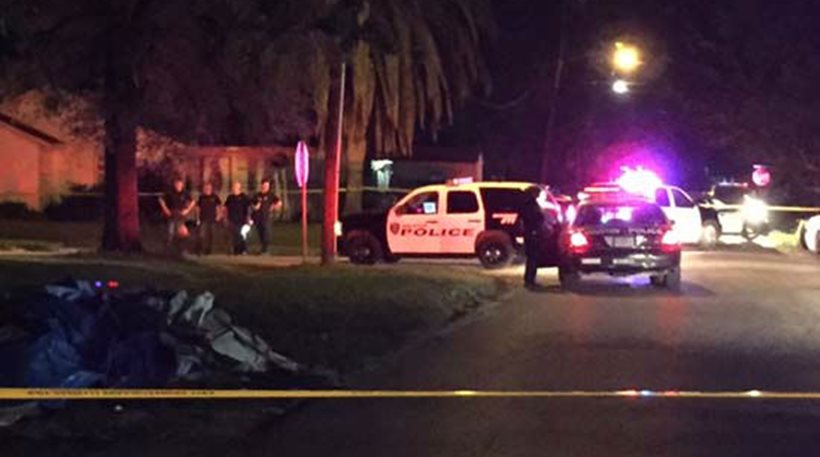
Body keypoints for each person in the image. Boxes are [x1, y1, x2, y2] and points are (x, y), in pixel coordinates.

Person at [519, 185, 546, 288]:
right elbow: (532, 218)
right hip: (532, 233)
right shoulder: (529, 204)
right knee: (532, 258)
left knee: (532, 258)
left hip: (532, 232)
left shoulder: (529, 203)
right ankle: (529, 280)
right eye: (538, 193)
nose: (538, 195)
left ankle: (530, 279)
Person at [158, 177, 195, 253]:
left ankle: (182, 249)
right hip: (172, 214)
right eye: (177, 184)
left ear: (182, 185)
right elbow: (161, 200)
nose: (178, 186)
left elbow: (193, 201)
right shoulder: (170, 192)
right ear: (174, 184)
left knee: (182, 233)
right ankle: (168, 250)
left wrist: (187, 210)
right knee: (170, 232)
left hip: (181, 215)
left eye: (180, 184)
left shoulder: (185, 193)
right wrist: (166, 210)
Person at [250, 178, 283, 255]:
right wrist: (255, 207)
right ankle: (263, 248)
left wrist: (274, 207)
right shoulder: (257, 195)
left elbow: (279, 202)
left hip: (267, 217)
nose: (266, 187)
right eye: (264, 185)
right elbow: (252, 204)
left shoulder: (271, 195)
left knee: (266, 232)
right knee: (260, 233)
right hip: (258, 218)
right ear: (262, 185)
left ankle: (265, 249)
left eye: (267, 186)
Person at [224, 181, 251, 255]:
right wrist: (226, 218)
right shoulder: (230, 197)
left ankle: (243, 249)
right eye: (233, 187)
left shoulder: (244, 197)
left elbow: (248, 208)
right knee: (234, 235)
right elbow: (226, 208)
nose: (234, 188)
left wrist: (248, 218)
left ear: (239, 188)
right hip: (232, 219)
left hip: (242, 219)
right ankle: (236, 250)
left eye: (236, 187)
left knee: (242, 235)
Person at [196, 182, 222, 255]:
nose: (207, 189)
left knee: (211, 235)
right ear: (204, 189)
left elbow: (219, 207)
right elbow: (198, 208)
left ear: (211, 188)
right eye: (206, 188)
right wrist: (197, 218)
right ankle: (201, 250)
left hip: (213, 219)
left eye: (209, 188)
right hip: (203, 219)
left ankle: (209, 250)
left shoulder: (215, 197)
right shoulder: (201, 197)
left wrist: (219, 215)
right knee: (202, 235)